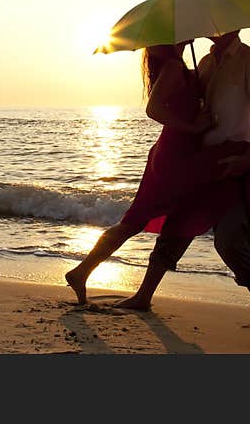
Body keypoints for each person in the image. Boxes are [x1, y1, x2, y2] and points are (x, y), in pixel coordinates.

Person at [116, 30, 250, 329]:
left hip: (229, 162)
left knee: (229, 239)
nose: (212, 28)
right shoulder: (207, 63)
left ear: (235, 26)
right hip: (197, 161)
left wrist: (248, 159)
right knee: (176, 228)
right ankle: (144, 296)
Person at [64, 41, 214, 305]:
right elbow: (153, 110)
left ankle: (92, 275)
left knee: (152, 220)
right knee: (138, 221)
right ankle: (83, 273)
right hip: (174, 154)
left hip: (178, 152)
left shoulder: (176, 66)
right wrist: (192, 128)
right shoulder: (172, 67)